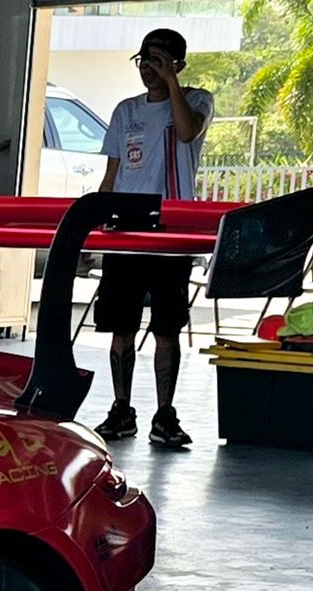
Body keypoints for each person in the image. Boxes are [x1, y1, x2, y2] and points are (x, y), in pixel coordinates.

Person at [93, 28, 212, 450]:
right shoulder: (125, 111)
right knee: (120, 324)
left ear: (178, 64)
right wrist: (97, 224)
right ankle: (121, 407)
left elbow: (187, 132)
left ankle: (165, 413)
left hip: (171, 225)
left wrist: (172, 84)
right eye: (144, 61)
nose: (149, 69)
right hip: (126, 225)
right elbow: (112, 173)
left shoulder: (197, 100)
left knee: (167, 326)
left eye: (158, 61)